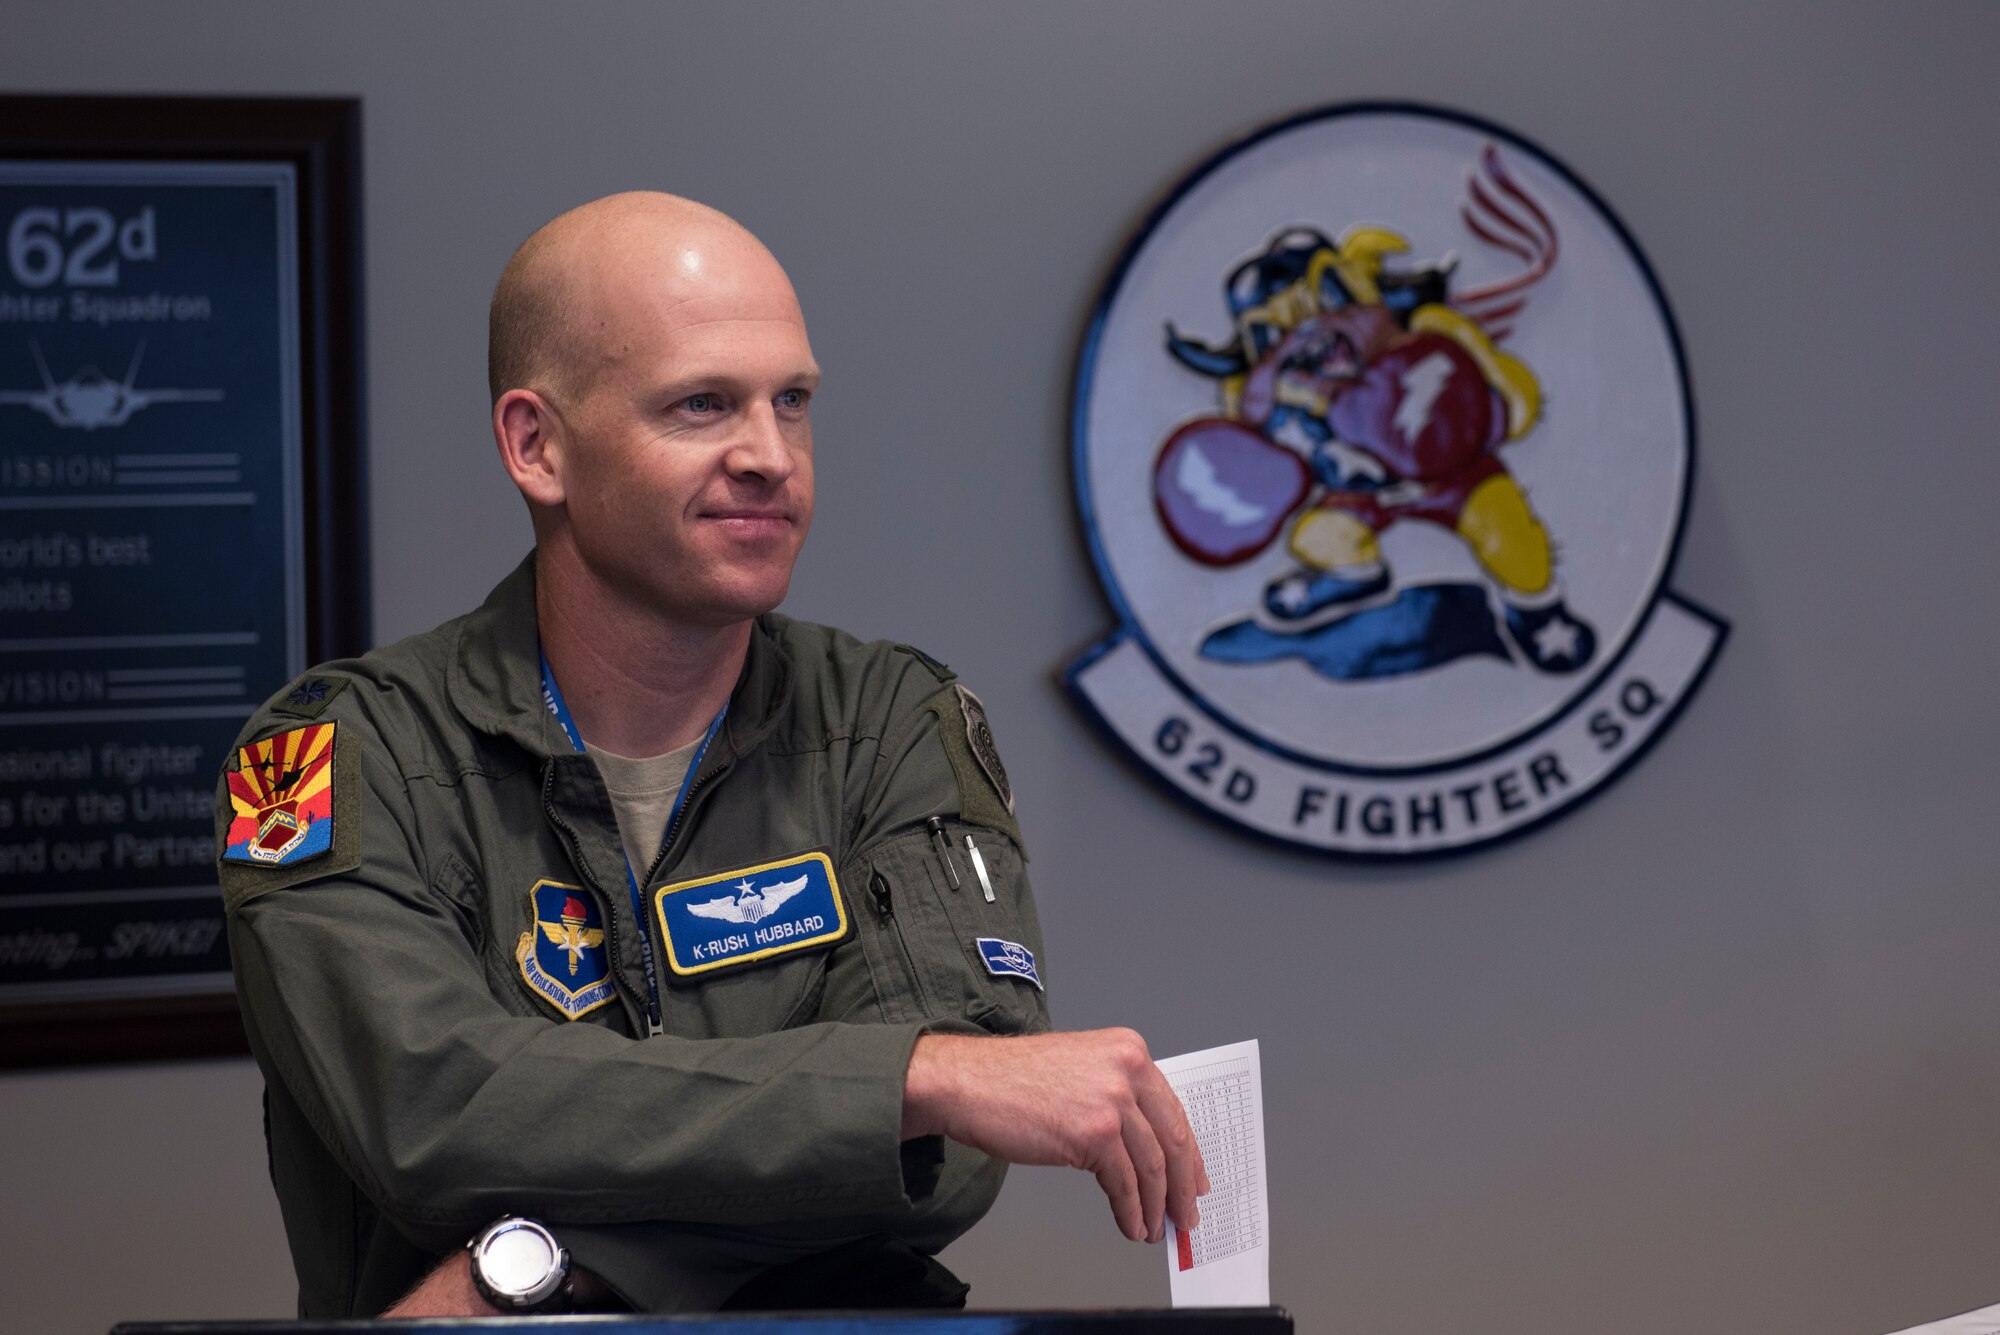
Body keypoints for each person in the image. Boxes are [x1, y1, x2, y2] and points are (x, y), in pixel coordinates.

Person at [215, 192, 1207, 1318]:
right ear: (535, 445)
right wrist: (908, 1083)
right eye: (701, 405)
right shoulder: (342, 754)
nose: (769, 457)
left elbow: (940, 1167)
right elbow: (432, 1115)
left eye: (792, 401)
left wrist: (534, 1280)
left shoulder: (890, 721)